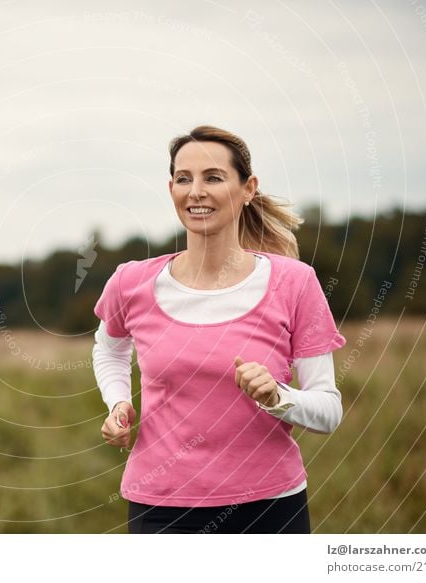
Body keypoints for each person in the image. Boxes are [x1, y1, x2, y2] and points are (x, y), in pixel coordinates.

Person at [92, 124, 346, 534]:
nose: (196, 191)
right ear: (171, 188)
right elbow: (108, 347)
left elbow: (329, 412)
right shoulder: (131, 283)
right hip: (161, 507)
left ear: (248, 188)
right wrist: (118, 402)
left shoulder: (295, 283)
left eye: (213, 177)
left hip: (270, 508)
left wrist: (278, 396)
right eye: (183, 178)